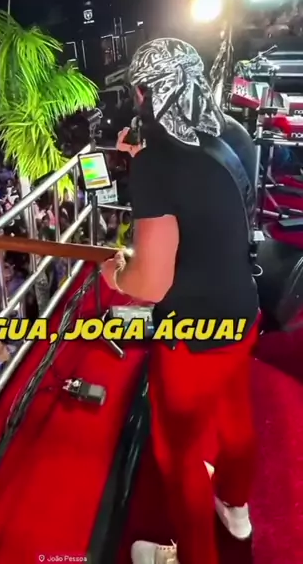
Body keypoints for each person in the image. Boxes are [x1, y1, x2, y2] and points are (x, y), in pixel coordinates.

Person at [100, 38, 260, 564]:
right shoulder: (231, 135)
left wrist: (116, 274)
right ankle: (235, 508)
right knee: (235, 415)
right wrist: (145, 162)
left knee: (179, 453)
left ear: (148, 93)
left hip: (193, 336)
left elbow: (150, 284)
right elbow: (208, 203)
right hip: (243, 309)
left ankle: (193, 557)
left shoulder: (158, 167)